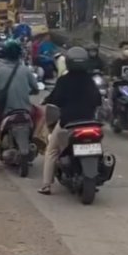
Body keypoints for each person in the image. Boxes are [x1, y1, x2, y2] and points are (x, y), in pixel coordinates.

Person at [38, 47, 102, 195]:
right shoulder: (90, 81)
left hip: (68, 123)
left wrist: (49, 101)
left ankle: (46, 185)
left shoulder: (63, 81)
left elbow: (55, 100)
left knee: (52, 150)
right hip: (90, 122)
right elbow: (98, 100)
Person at [0, 40, 41, 172]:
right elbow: (36, 89)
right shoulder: (25, 71)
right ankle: (36, 138)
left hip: (6, 113)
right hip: (26, 112)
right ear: (19, 55)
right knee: (41, 113)